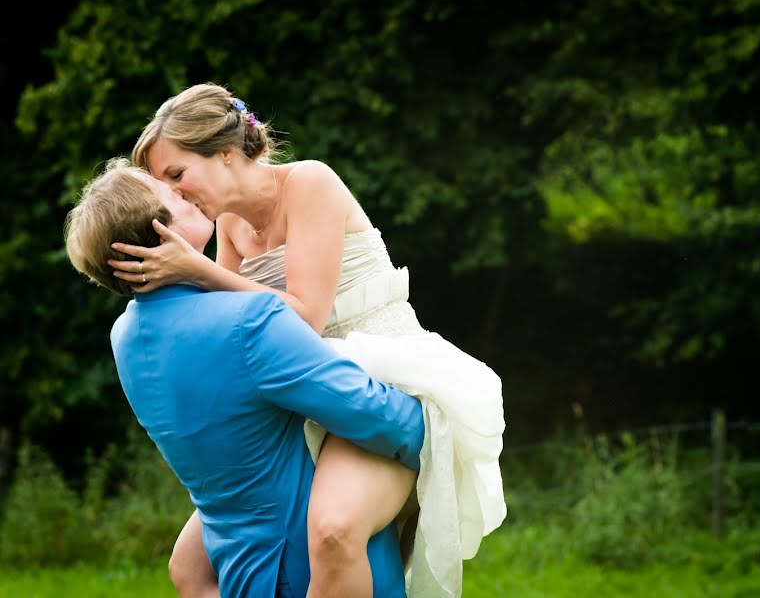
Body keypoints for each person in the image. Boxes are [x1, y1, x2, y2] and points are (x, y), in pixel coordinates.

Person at [109, 83, 506, 597]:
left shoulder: (310, 183)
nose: (173, 195)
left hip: (381, 379)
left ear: (226, 154)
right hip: (306, 390)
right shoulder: (229, 222)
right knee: (188, 566)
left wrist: (198, 268)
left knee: (333, 531)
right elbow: (234, 324)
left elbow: (304, 317)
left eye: (176, 175)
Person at [64, 158, 426, 597]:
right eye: (173, 195)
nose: (185, 192)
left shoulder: (125, 337)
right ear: (161, 235)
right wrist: (432, 408)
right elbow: (378, 418)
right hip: (321, 568)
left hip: (237, 570)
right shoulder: (249, 320)